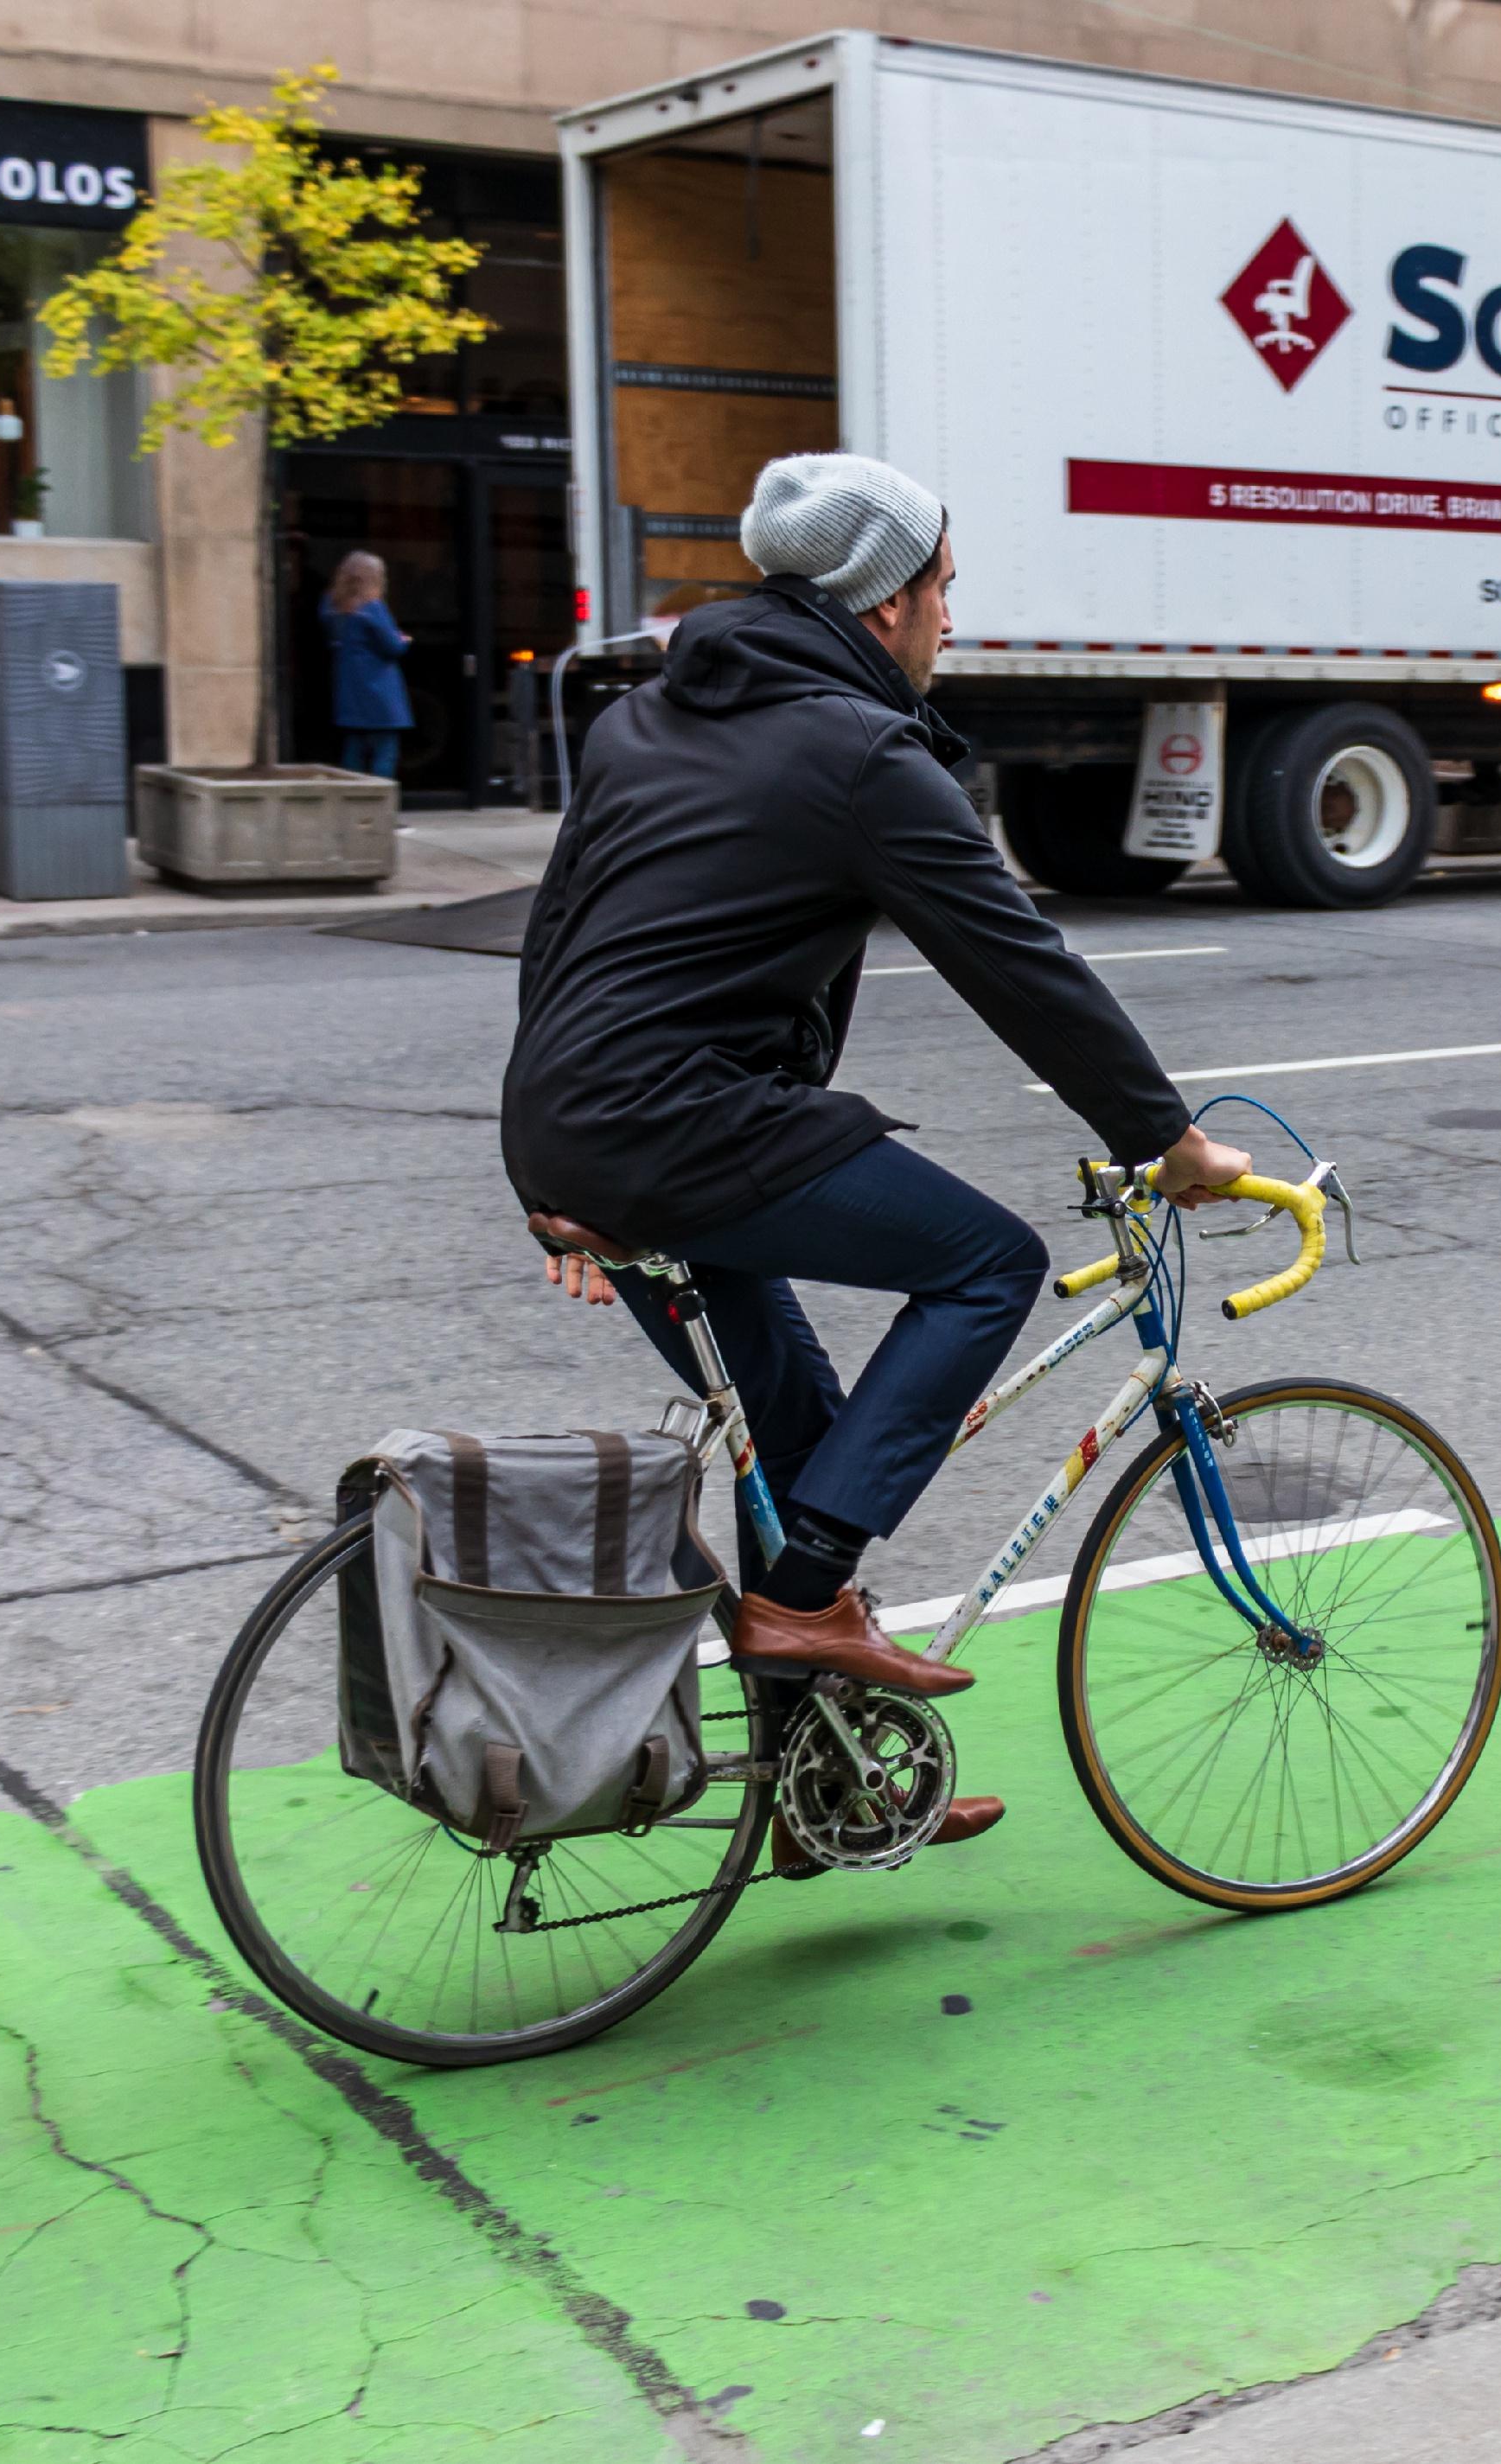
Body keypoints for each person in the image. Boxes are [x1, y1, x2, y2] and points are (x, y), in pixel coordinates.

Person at [499, 451, 1255, 1866]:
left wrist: (542, 1179)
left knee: (793, 1437)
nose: (953, 619)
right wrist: (1164, 1140)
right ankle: (806, 1612)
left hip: (577, 1123)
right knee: (987, 1264)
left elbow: (554, 950)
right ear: (886, 600)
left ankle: (825, 1786)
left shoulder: (648, 720)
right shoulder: (858, 754)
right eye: (948, 590)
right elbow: (1017, 963)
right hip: (683, 1124)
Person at [320, 551, 413, 778]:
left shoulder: (331, 606)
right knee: (385, 752)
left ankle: (353, 801)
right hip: (379, 691)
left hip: (350, 690)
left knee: (354, 750)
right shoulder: (373, 607)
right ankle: (379, 802)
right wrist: (403, 639)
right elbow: (392, 646)